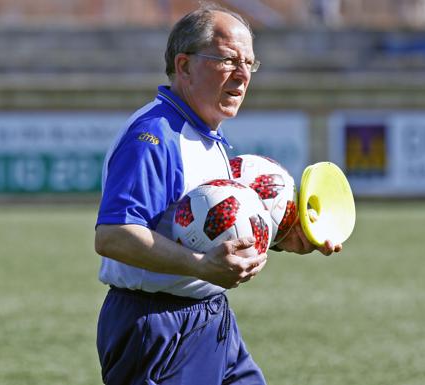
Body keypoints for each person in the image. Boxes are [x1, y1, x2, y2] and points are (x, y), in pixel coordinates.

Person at [94, 3, 342, 385]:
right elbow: (113, 235)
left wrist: (286, 237)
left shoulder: (208, 135)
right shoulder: (154, 137)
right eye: (228, 60)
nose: (242, 75)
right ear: (184, 66)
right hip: (158, 326)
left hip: (210, 316)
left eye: (250, 64)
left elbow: (205, 232)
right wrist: (199, 265)